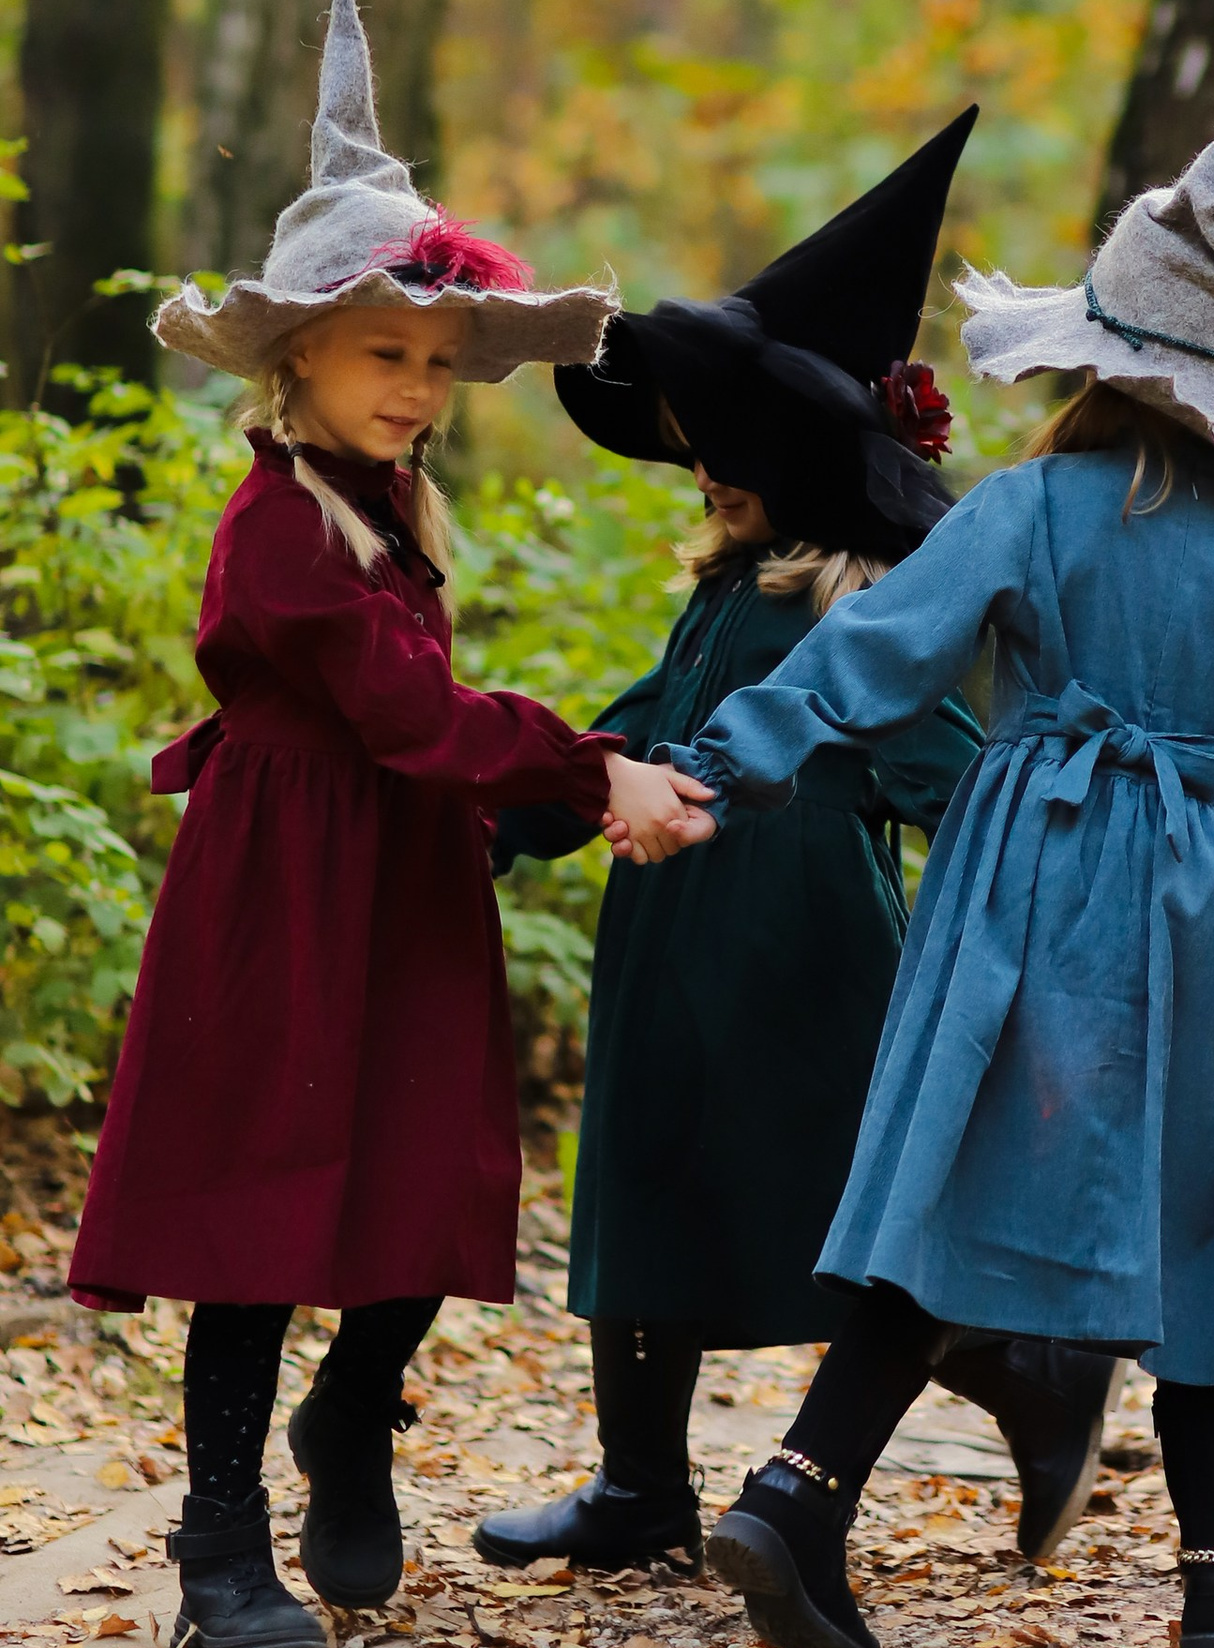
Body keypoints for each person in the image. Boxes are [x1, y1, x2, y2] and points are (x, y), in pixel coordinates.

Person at [607, 136, 1214, 1648]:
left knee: (953, 1182)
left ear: (1102, 363)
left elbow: (871, 660)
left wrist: (716, 769)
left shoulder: (1036, 507)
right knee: (1208, 1205)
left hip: (1031, 869)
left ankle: (798, 1494)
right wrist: (1208, 831)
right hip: (1205, 887)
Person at [69, 0, 694, 1648]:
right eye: (381, 355)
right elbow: (402, 704)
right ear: (299, 358)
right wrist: (588, 767)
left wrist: (532, 792)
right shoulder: (279, 525)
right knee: (261, 1202)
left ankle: (354, 1416)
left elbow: (418, 731)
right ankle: (219, 1546)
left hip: (402, 869)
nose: (416, 385)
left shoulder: (393, 491)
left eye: (434, 359)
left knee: (425, 1168)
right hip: (282, 874)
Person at [470, 109, 1122, 1576]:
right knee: (646, 1190)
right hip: (668, 944)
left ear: (809, 462)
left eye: (725, 447)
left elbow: (965, 778)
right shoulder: (723, 595)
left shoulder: (858, 627)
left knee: (829, 1216)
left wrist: (1045, 908)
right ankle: (640, 1485)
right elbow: (627, 734)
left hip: (810, 969)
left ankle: (1028, 1374)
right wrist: (507, 818)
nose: (698, 466)